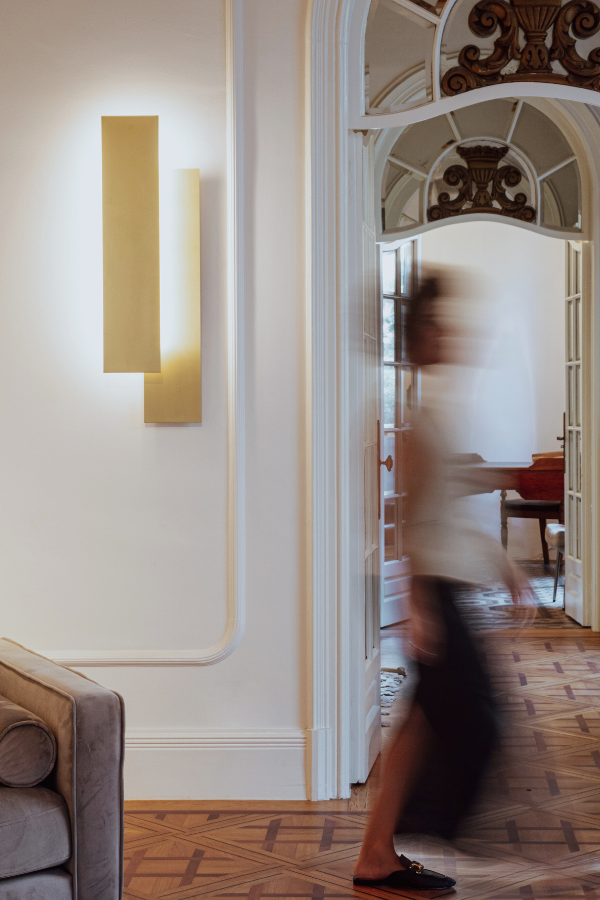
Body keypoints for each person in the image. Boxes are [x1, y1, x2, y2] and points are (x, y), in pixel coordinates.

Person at [353, 272, 536, 892]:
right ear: (418, 336)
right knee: (477, 717)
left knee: (425, 718)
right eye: (438, 324)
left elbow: (450, 509)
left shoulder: (434, 409)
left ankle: (377, 851)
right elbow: (406, 518)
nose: (449, 333)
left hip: (449, 584)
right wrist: (415, 604)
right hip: (436, 592)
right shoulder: (411, 418)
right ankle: (414, 833)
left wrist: (505, 566)